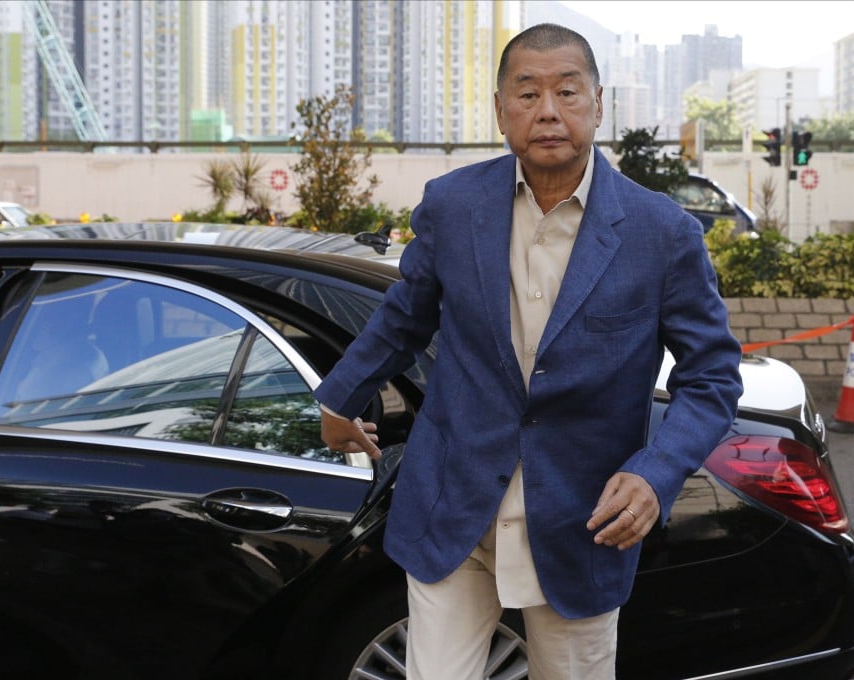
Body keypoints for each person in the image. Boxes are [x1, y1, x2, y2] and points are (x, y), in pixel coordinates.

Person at [316, 23, 743, 680]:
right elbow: (404, 316)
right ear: (500, 109)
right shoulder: (453, 205)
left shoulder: (663, 234)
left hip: (583, 518)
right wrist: (341, 397)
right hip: (452, 501)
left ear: (598, 104)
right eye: (528, 93)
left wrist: (657, 472)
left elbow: (712, 376)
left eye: (567, 92)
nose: (548, 111)